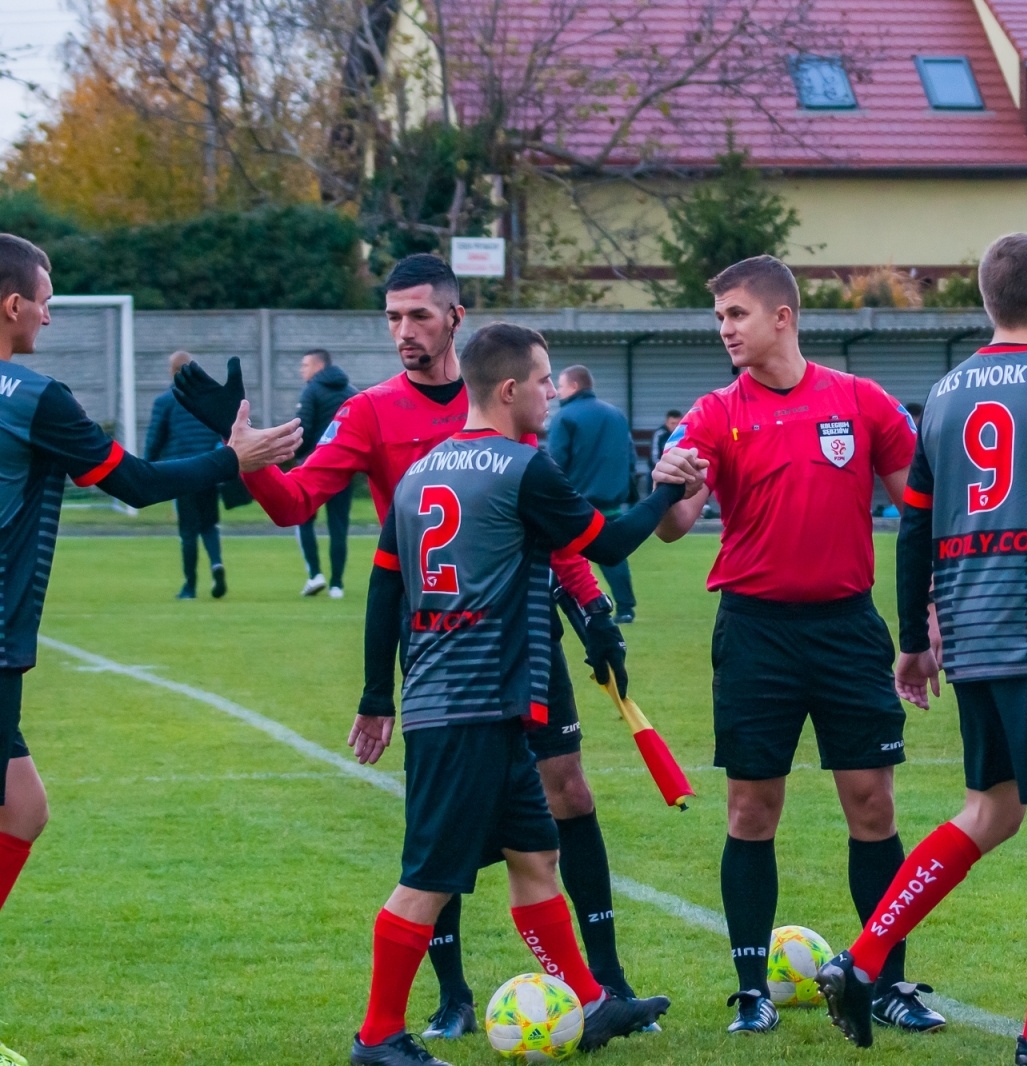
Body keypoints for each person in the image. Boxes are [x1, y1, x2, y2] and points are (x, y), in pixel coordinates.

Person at [170, 254, 637, 1042]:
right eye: (392, 317)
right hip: (449, 659)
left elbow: (554, 524)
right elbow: (295, 504)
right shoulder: (370, 414)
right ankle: (445, 999)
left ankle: (600, 991)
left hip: (525, 639)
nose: (404, 331)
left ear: (457, 318)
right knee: (440, 846)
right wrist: (241, 452)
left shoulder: (508, 392)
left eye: (418, 315)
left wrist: (591, 608)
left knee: (561, 805)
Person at [815, 232, 1027, 1066]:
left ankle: (863, 959)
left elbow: (913, 525)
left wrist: (913, 641)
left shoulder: (943, 394)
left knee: (991, 811)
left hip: (971, 634)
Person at [347, 323, 685, 1066]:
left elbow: (383, 591)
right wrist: (668, 488)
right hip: (468, 707)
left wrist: (378, 693)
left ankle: (590, 1003)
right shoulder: (521, 468)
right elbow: (606, 542)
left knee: (536, 857)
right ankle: (377, 1038)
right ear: (508, 390)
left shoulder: (419, 472)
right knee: (428, 879)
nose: (551, 395)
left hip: (478, 705)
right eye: (542, 381)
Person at [0, 233, 299, 1066]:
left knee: (22, 809)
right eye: (44, 300)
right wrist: (230, 458)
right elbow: (131, 484)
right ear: (12, 304)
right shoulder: (34, 398)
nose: (51, 315)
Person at [651, 254, 944, 1037]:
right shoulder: (713, 413)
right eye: (719, 317)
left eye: (736, 314)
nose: (725, 329)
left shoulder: (862, 401)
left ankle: (885, 980)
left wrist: (931, 606)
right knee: (752, 810)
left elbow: (919, 513)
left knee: (873, 804)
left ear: (782, 316)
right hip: (755, 632)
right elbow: (676, 526)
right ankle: (752, 991)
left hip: (848, 629)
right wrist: (669, 481)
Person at [548, 367, 638, 623]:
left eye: (561, 386)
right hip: (611, 501)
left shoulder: (564, 417)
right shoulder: (615, 414)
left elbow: (555, 462)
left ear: (574, 386)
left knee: (565, 557)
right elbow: (630, 456)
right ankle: (626, 608)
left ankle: (571, 608)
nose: (557, 391)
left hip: (576, 502)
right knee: (612, 555)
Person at [146, 351, 228, 600]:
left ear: (172, 372)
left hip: (181, 472)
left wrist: (146, 468)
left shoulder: (166, 401)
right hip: (210, 469)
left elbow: (155, 438)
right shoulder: (209, 399)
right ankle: (216, 563)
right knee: (209, 524)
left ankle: (190, 587)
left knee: (188, 530)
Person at [293, 348, 356, 598]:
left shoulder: (311, 391)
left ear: (318, 366)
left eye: (305, 365)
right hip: (344, 469)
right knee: (338, 526)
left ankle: (315, 575)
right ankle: (337, 584)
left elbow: (303, 429)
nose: (302, 370)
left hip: (314, 468)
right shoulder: (351, 392)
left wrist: (298, 455)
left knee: (303, 518)